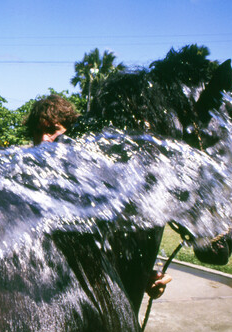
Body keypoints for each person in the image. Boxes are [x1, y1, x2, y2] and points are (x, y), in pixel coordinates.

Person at [25, 94, 172, 301]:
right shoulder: (25, 181)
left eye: (52, 130)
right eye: (37, 132)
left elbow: (124, 238)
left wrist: (149, 276)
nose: (43, 140)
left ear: (70, 133)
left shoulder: (97, 182)